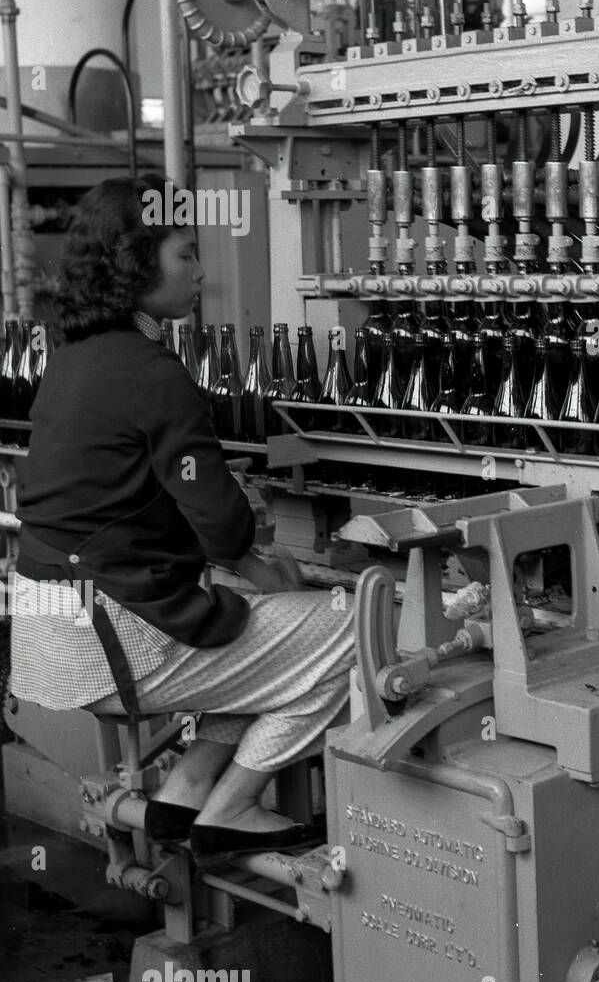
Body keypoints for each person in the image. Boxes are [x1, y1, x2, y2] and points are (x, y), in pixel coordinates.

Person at [9, 173, 355, 866]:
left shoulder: (72, 358)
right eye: (185, 255)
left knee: (267, 642)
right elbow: (220, 521)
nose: (200, 272)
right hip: (107, 641)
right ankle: (233, 810)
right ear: (137, 265)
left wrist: (250, 571)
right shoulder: (152, 372)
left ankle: (186, 792)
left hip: (45, 630)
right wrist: (262, 564)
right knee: (347, 631)